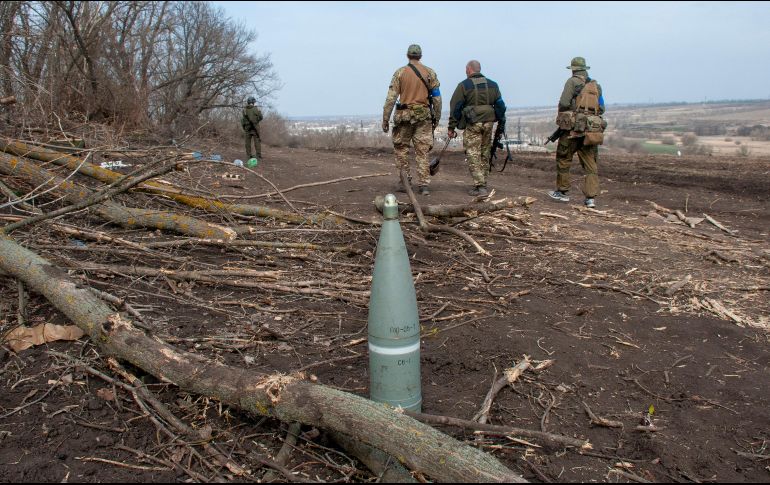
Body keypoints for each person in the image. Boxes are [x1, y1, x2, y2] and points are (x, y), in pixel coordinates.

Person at [382, 44, 442, 196]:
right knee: (422, 151)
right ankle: (424, 185)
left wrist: (385, 119)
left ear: (408, 56)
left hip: (404, 117)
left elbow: (391, 98)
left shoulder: (400, 73)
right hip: (424, 117)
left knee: (401, 150)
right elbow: (437, 98)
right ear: (420, 56)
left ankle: (405, 182)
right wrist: (437, 117)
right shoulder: (430, 73)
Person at [548, 57, 606, 208]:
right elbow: (602, 108)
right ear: (585, 69)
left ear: (573, 69)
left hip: (572, 131)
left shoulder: (572, 82)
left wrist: (568, 115)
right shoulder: (596, 86)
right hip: (591, 131)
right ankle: (591, 198)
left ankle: (562, 192)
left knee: (563, 158)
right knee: (590, 164)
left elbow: (564, 102)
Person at [447, 60, 506, 197]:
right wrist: (501, 123)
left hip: (473, 123)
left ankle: (480, 186)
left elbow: (455, 106)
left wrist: (451, 127)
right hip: (489, 123)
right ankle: (482, 182)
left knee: (472, 153)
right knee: (485, 152)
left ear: (469, 69)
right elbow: (500, 105)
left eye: (466, 69)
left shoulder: (464, 86)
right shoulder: (493, 85)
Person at [242, 96, 263, 162]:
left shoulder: (244, 109)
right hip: (255, 127)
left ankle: (249, 155)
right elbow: (261, 117)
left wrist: (244, 127)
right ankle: (258, 155)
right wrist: (256, 121)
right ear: (253, 102)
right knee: (257, 141)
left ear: (248, 102)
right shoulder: (256, 109)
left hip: (247, 127)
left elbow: (243, 119)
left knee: (247, 142)